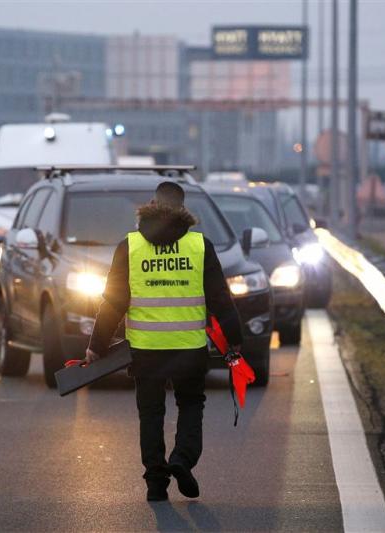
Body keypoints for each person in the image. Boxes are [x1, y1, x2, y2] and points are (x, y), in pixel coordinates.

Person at [86, 181, 243, 502]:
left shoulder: (129, 247)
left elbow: (114, 302)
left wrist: (96, 345)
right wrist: (234, 342)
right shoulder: (200, 247)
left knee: (151, 413)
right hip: (189, 347)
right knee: (190, 405)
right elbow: (221, 301)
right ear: (184, 210)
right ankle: (181, 460)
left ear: (152, 205)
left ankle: (156, 482)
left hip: (145, 350)